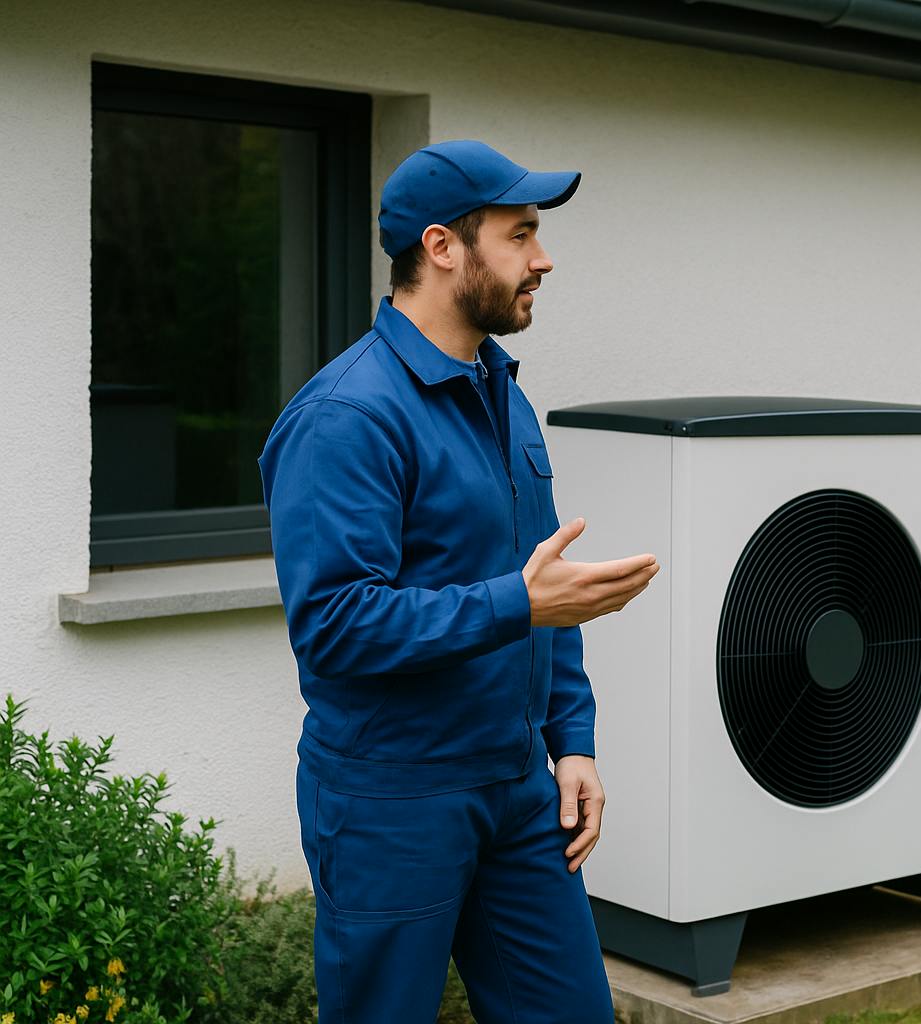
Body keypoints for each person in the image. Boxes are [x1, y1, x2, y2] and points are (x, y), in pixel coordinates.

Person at [259, 139, 659, 1023]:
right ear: (444, 247)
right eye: (520, 235)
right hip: (391, 800)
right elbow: (334, 625)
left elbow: (540, 579)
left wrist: (574, 738)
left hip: (516, 788)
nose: (543, 259)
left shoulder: (499, 389)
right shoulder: (346, 418)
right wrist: (521, 602)